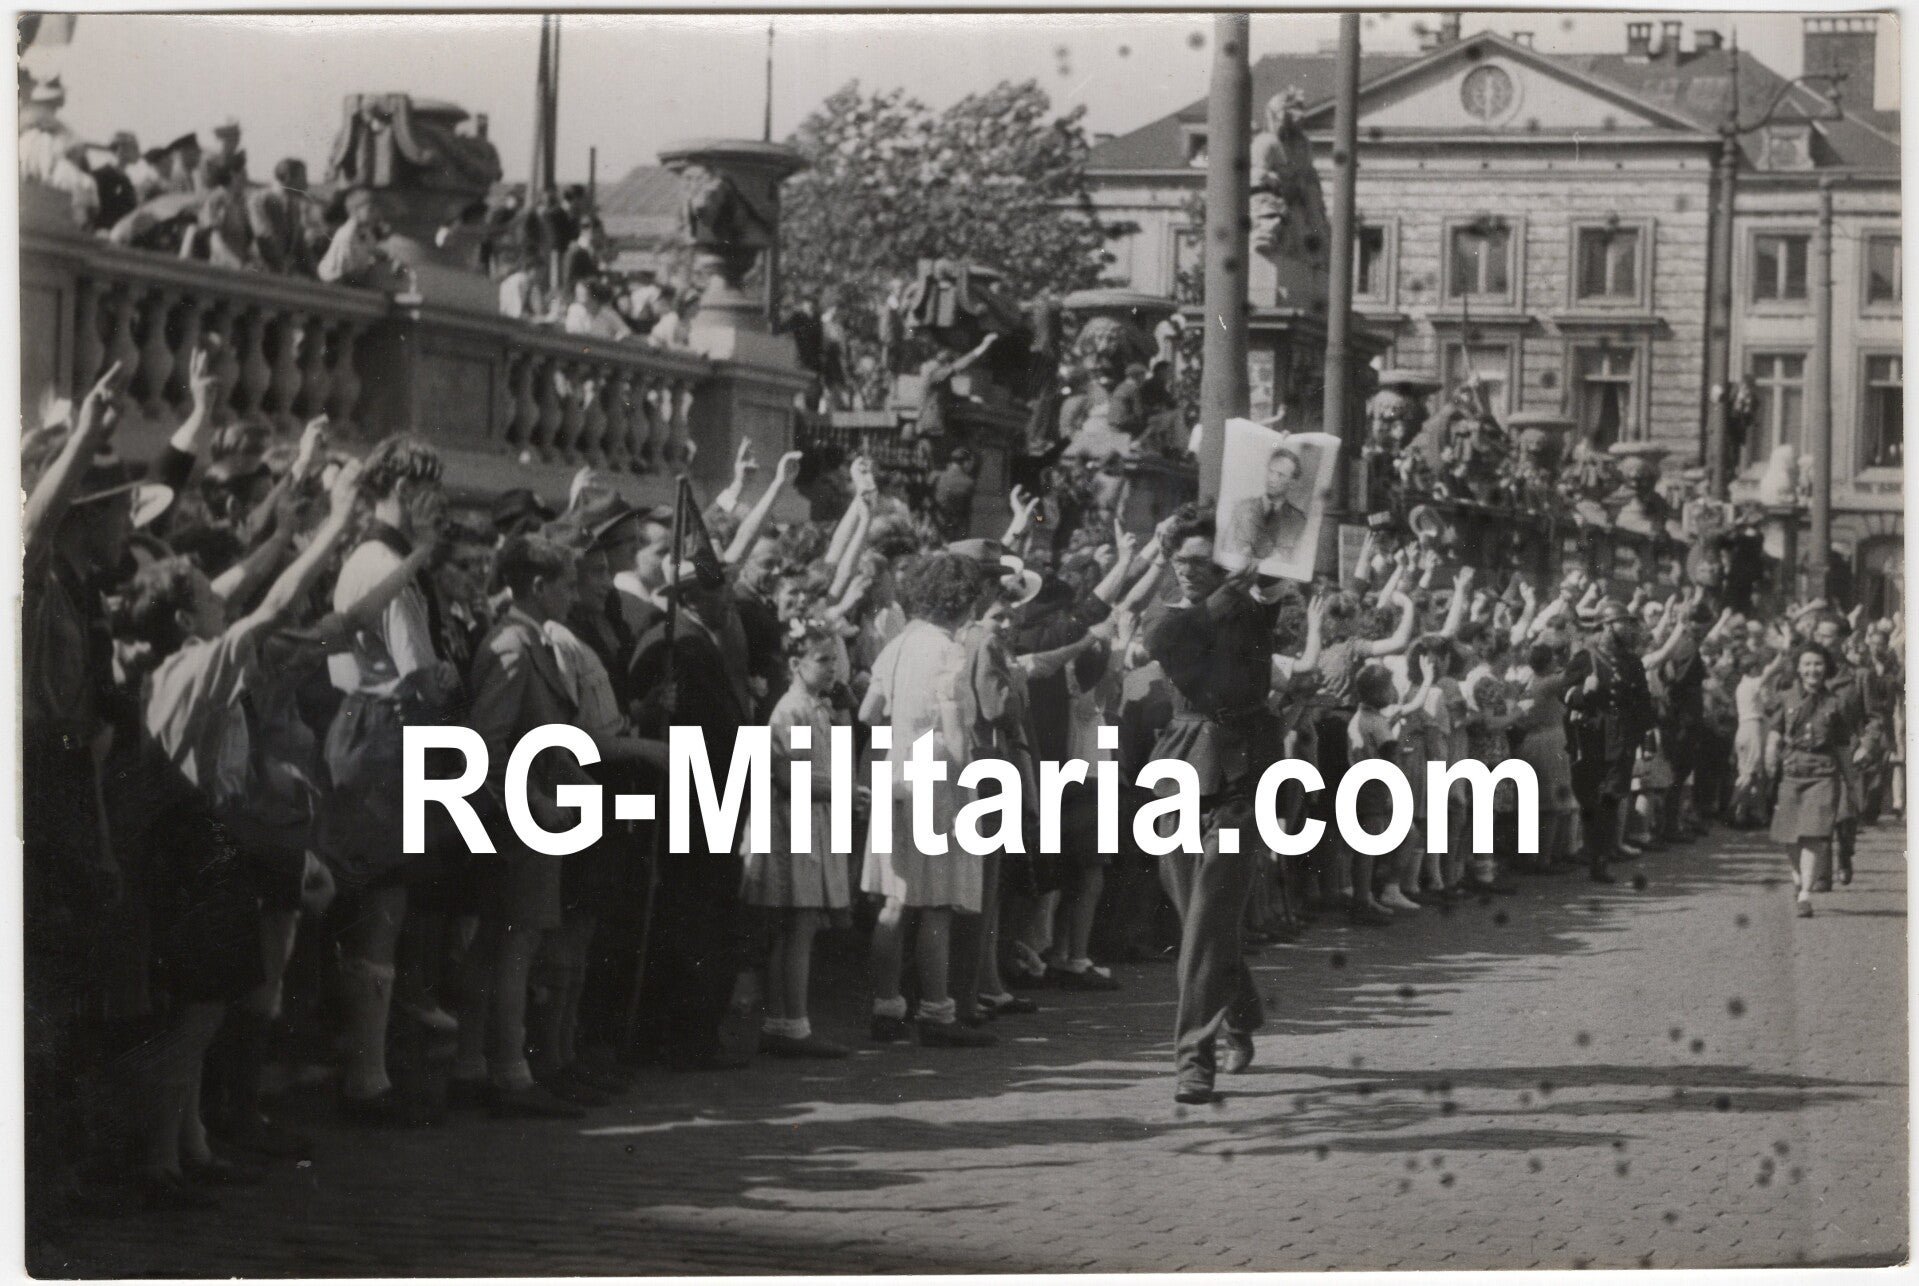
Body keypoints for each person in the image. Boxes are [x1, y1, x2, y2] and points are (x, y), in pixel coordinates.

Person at [318, 436, 456, 1125]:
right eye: (428, 489)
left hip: (377, 725)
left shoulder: (376, 558)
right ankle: (366, 1079)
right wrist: (441, 679)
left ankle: (372, 1068)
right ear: (401, 488)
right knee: (381, 904)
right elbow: (417, 673)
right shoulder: (384, 563)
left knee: (386, 901)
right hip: (383, 730)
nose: (437, 503)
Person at [450, 535, 594, 1118]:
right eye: (564, 584)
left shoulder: (530, 642)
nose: (572, 594)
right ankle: (508, 1071)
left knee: (502, 944)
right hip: (517, 822)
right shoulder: (513, 646)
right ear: (537, 587)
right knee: (514, 941)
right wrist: (534, 801)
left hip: (530, 817)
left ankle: (474, 1064)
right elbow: (486, 741)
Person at [859, 553, 993, 1048]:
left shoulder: (896, 646)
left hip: (896, 778)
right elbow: (957, 732)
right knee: (937, 904)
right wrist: (967, 788)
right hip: (939, 783)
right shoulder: (949, 653)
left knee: (896, 900)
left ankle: (886, 1005)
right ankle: (937, 1012)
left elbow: (868, 711)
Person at [742, 623, 857, 1059]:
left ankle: (786, 1020)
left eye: (835, 660)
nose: (832, 670)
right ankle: (790, 1024)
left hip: (811, 822)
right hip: (791, 826)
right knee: (797, 923)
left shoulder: (818, 707)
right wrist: (845, 792)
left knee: (799, 925)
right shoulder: (791, 710)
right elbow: (792, 777)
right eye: (822, 660)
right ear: (795, 664)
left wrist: (844, 714)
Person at [1766, 643, 1857, 917]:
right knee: (1789, 836)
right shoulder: (1785, 697)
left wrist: (1851, 783)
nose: (1812, 669)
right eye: (1807, 664)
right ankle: (1798, 876)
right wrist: (1770, 759)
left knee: (1814, 834)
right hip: (1792, 771)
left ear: (1825, 667)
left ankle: (1805, 893)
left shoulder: (1835, 703)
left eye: (1817, 664)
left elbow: (1842, 746)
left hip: (1823, 774)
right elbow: (1774, 733)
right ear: (1798, 668)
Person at [1224, 444, 1311, 566]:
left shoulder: (1299, 521)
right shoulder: (1242, 509)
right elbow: (1228, 551)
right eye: (1271, 471)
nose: (1272, 479)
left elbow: (1296, 562)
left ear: (1292, 483)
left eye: (1280, 475)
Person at [247, 159, 315, 276]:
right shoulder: (261, 200)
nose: (306, 185)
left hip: (280, 274)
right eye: (302, 178)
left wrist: (316, 277)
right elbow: (264, 238)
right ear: (288, 177)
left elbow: (300, 245)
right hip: (258, 273)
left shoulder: (294, 206)